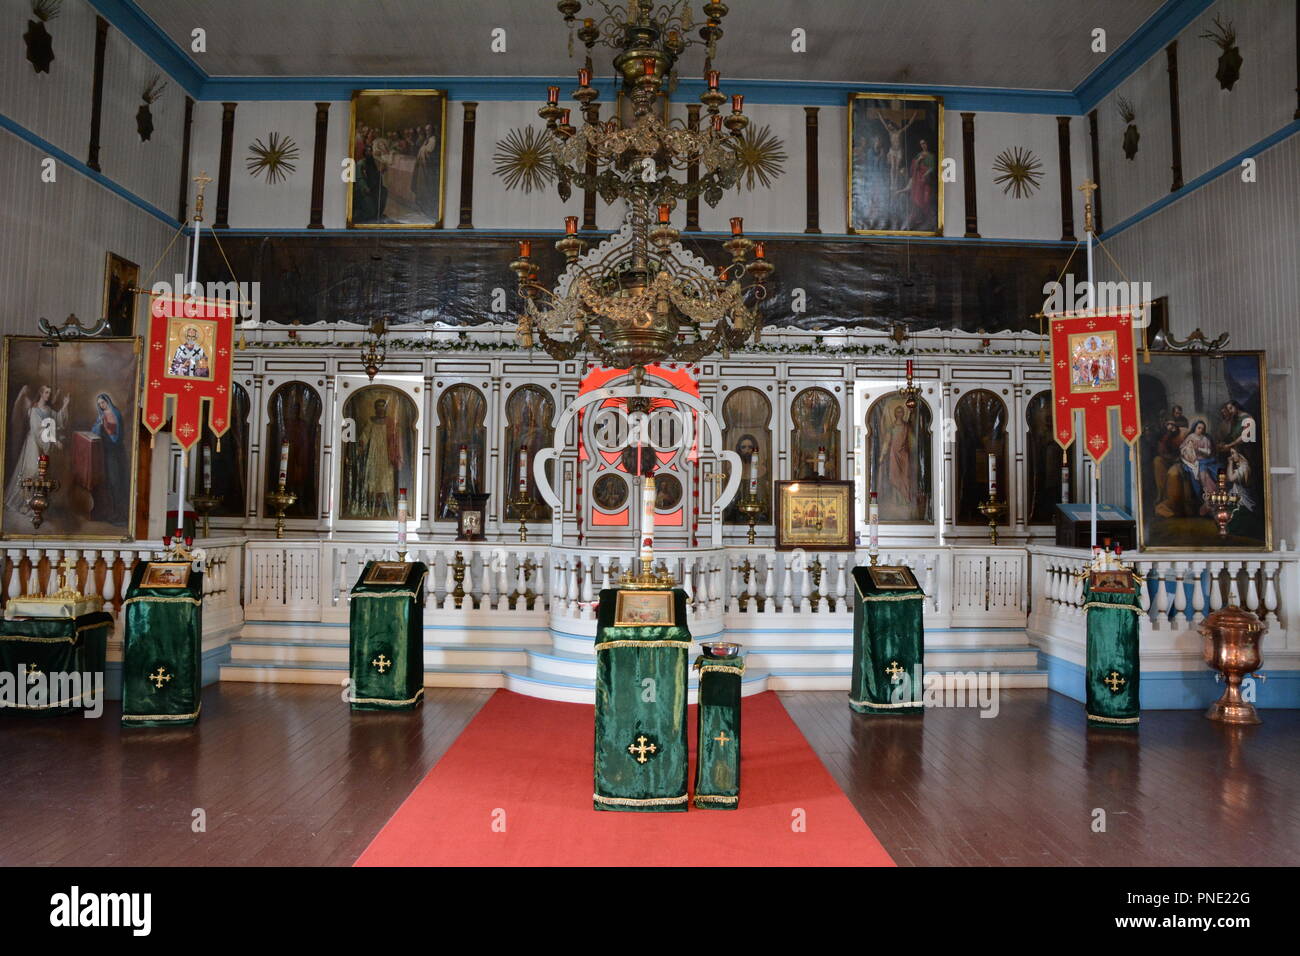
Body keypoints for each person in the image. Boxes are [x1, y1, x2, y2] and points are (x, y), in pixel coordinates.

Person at [4, 385, 69, 515]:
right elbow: (38, 430)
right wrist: (54, 441)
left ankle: (36, 503)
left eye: (50, 393)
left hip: (43, 443)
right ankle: (26, 503)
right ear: (40, 393)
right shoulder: (34, 410)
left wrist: (65, 405)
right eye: (46, 392)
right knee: (32, 471)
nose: (48, 395)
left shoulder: (49, 410)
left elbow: (57, 420)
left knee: (41, 474)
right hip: (33, 444)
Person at [90, 392, 128, 524]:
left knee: (115, 482)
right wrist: (100, 425)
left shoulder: (115, 413)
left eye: (103, 402)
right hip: (105, 451)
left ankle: (120, 514)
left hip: (114, 452)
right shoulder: (102, 416)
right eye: (99, 404)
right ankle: (111, 512)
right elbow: (94, 431)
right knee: (107, 482)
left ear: (108, 401)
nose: (102, 405)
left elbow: (116, 436)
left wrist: (105, 427)